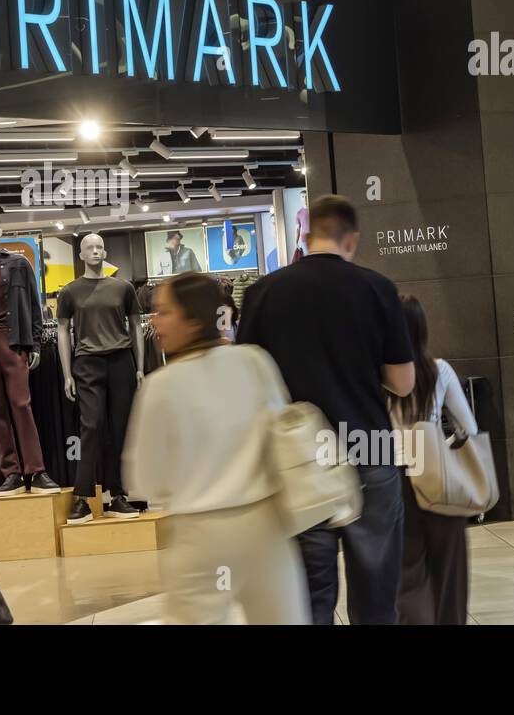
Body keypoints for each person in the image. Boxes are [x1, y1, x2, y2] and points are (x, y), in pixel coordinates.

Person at [237, 194, 415, 624]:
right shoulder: (378, 288)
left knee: (311, 594)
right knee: (375, 593)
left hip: (299, 461)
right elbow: (403, 381)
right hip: (369, 446)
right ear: (351, 239)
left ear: (306, 232)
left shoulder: (263, 293)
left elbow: (247, 380)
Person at [124, 272, 309, 624]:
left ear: (192, 318)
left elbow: (145, 480)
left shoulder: (160, 387)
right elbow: (283, 436)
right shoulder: (254, 361)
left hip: (200, 536)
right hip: (266, 527)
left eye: (164, 312)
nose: (155, 321)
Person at [391, 295, 477, 625]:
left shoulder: (378, 377)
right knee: (450, 575)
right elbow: (467, 428)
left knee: (408, 575)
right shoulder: (439, 371)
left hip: (397, 482)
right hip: (439, 476)